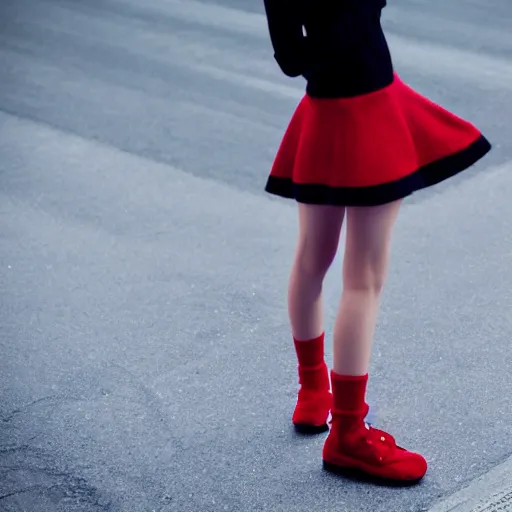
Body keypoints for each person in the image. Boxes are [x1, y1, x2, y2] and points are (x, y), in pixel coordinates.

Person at [262, 0, 491, 485]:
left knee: (310, 263)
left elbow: (290, 56)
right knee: (362, 281)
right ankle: (346, 433)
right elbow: (352, 26)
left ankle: (313, 395)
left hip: (323, 110)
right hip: (368, 110)